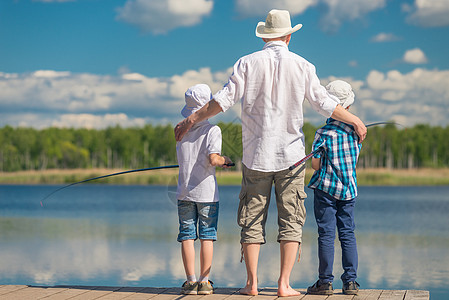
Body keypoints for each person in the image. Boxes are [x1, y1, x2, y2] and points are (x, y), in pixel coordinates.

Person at [174, 9, 367, 297]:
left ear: (265, 36)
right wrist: (354, 120)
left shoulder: (246, 63)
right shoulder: (303, 66)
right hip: (291, 157)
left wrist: (192, 120)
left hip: (256, 156)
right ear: (289, 35)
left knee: (252, 220)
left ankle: (251, 285)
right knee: (291, 221)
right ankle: (283, 284)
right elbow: (324, 103)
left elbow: (222, 101)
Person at [176, 84, 233, 295]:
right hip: (207, 194)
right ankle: (204, 282)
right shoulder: (212, 130)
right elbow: (213, 159)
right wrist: (226, 160)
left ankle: (190, 281)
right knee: (207, 236)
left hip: (184, 192)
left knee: (187, 235)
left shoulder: (181, 130)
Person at [307, 80, 362, 296]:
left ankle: (325, 282)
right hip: (349, 190)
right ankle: (350, 283)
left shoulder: (323, 134)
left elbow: (315, 164)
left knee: (326, 235)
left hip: (326, 190)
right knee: (348, 234)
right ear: (348, 106)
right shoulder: (357, 132)